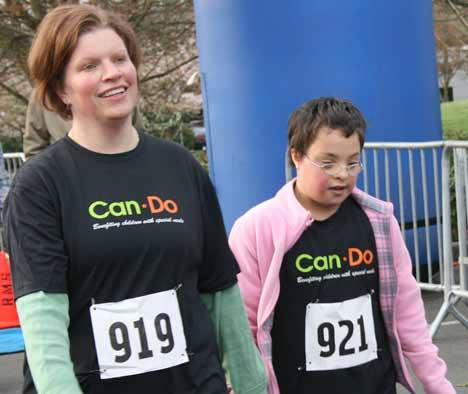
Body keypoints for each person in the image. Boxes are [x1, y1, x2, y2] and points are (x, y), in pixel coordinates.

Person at [4, 4, 266, 394]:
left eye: (120, 58)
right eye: (89, 65)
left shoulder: (181, 168)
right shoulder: (39, 187)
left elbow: (221, 295)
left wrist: (251, 386)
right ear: (61, 89)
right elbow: (45, 334)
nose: (112, 73)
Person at [229, 97, 455, 394]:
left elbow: (407, 315)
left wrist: (439, 386)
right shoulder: (256, 228)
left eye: (353, 162)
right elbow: (243, 329)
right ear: (296, 156)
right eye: (328, 163)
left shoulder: (380, 223)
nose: (342, 174)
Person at [24, 88, 143, 160]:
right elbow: (34, 147)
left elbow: (138, 137)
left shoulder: (120, 89)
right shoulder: (44, 94)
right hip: (68, 180)